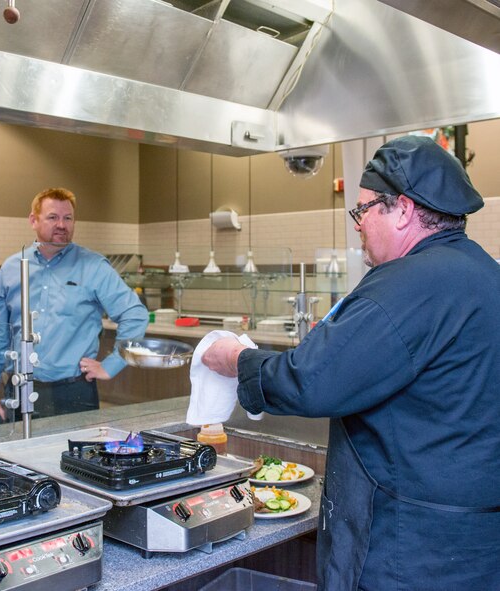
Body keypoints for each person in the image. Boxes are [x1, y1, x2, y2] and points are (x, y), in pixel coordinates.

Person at [202, 135, 500, 590]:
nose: (358, 225)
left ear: (401, 209)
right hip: (471, 541)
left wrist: (238, 360)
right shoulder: (483, 272)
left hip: (412, 548)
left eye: (363, 211)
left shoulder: (407, 284)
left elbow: (313, 379)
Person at [0, 187, 148, 424]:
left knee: (73, 460)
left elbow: (135, 314)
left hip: (74, 392)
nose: (61, 224)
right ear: (33, 220)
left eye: (68, 218)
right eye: (52, 217)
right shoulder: (12, 268)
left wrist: (112, 364)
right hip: (19, 388)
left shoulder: (93, 266)